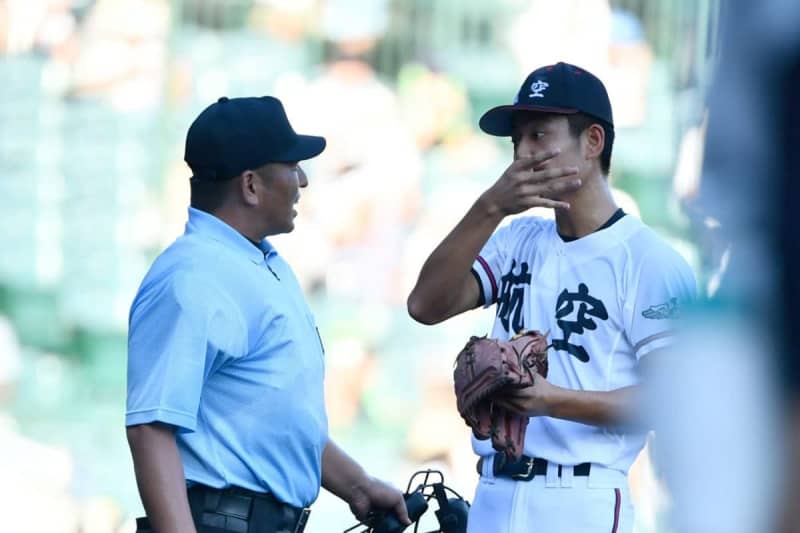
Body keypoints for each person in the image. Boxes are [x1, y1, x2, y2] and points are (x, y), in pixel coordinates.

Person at [407, 62, 696, 532]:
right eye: (517, 139)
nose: (523, 152)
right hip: (494, 496)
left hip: (582, 498)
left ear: (593, 142)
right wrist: (490, 207)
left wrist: (550, 400)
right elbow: (425, 305)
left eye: (540, 134)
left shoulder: (648, 261)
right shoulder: (515, 237)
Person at [125, 96, 410, 533]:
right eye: (292, 166)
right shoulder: (192, 275)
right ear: (251, 185)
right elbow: (151, 429)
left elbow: (272, 416)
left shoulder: (261, 262)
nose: (303, 179)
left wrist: (357, 485)